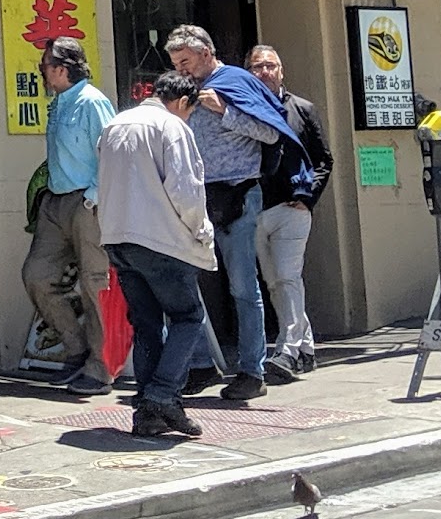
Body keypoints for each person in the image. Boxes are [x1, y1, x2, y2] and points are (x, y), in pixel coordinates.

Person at [166, 23, 309, 401]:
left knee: (243, 287)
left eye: (185, 61)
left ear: (206, 53)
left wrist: (225, 111)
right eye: (175, 63)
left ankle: (251, 370)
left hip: (238, 194)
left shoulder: (236, 81)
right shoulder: (186, 89)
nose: (181, 69)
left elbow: (271, 132)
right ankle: (198, 364)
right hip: (197, 196)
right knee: (184, 281)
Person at [94, 69, 215, 439]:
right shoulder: (171, 126)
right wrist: (202, 231)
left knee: (146, 324)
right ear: (182, 102)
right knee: (187, 317)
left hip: (118, 237)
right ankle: (162, 396)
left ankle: (147, 414)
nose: (188, 117)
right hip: (160, 239)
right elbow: (185, 189)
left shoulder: (115, 124)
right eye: (190, 110)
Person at [22, 36, 117, 392]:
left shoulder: (93, 102)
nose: (42, 73)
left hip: (86, 200)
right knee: (37, 274)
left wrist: (94, 197)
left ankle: (101, 366)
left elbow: (111, 153)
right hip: (56, 201)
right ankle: (76, 349)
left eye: (44, 66)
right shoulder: (58, 102)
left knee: (95, 283)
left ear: (61, 69)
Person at [247, 43, 334, 378]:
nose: (265, 71)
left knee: (287, 277)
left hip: (292, 207)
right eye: (258, 66)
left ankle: (287, 349)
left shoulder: (302, 108)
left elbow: (324, 158)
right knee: (274, 283)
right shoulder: (243, 108)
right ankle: (306, 348)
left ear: (281, 71)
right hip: (255, 208)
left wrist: (308, 195)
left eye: (271, 65)